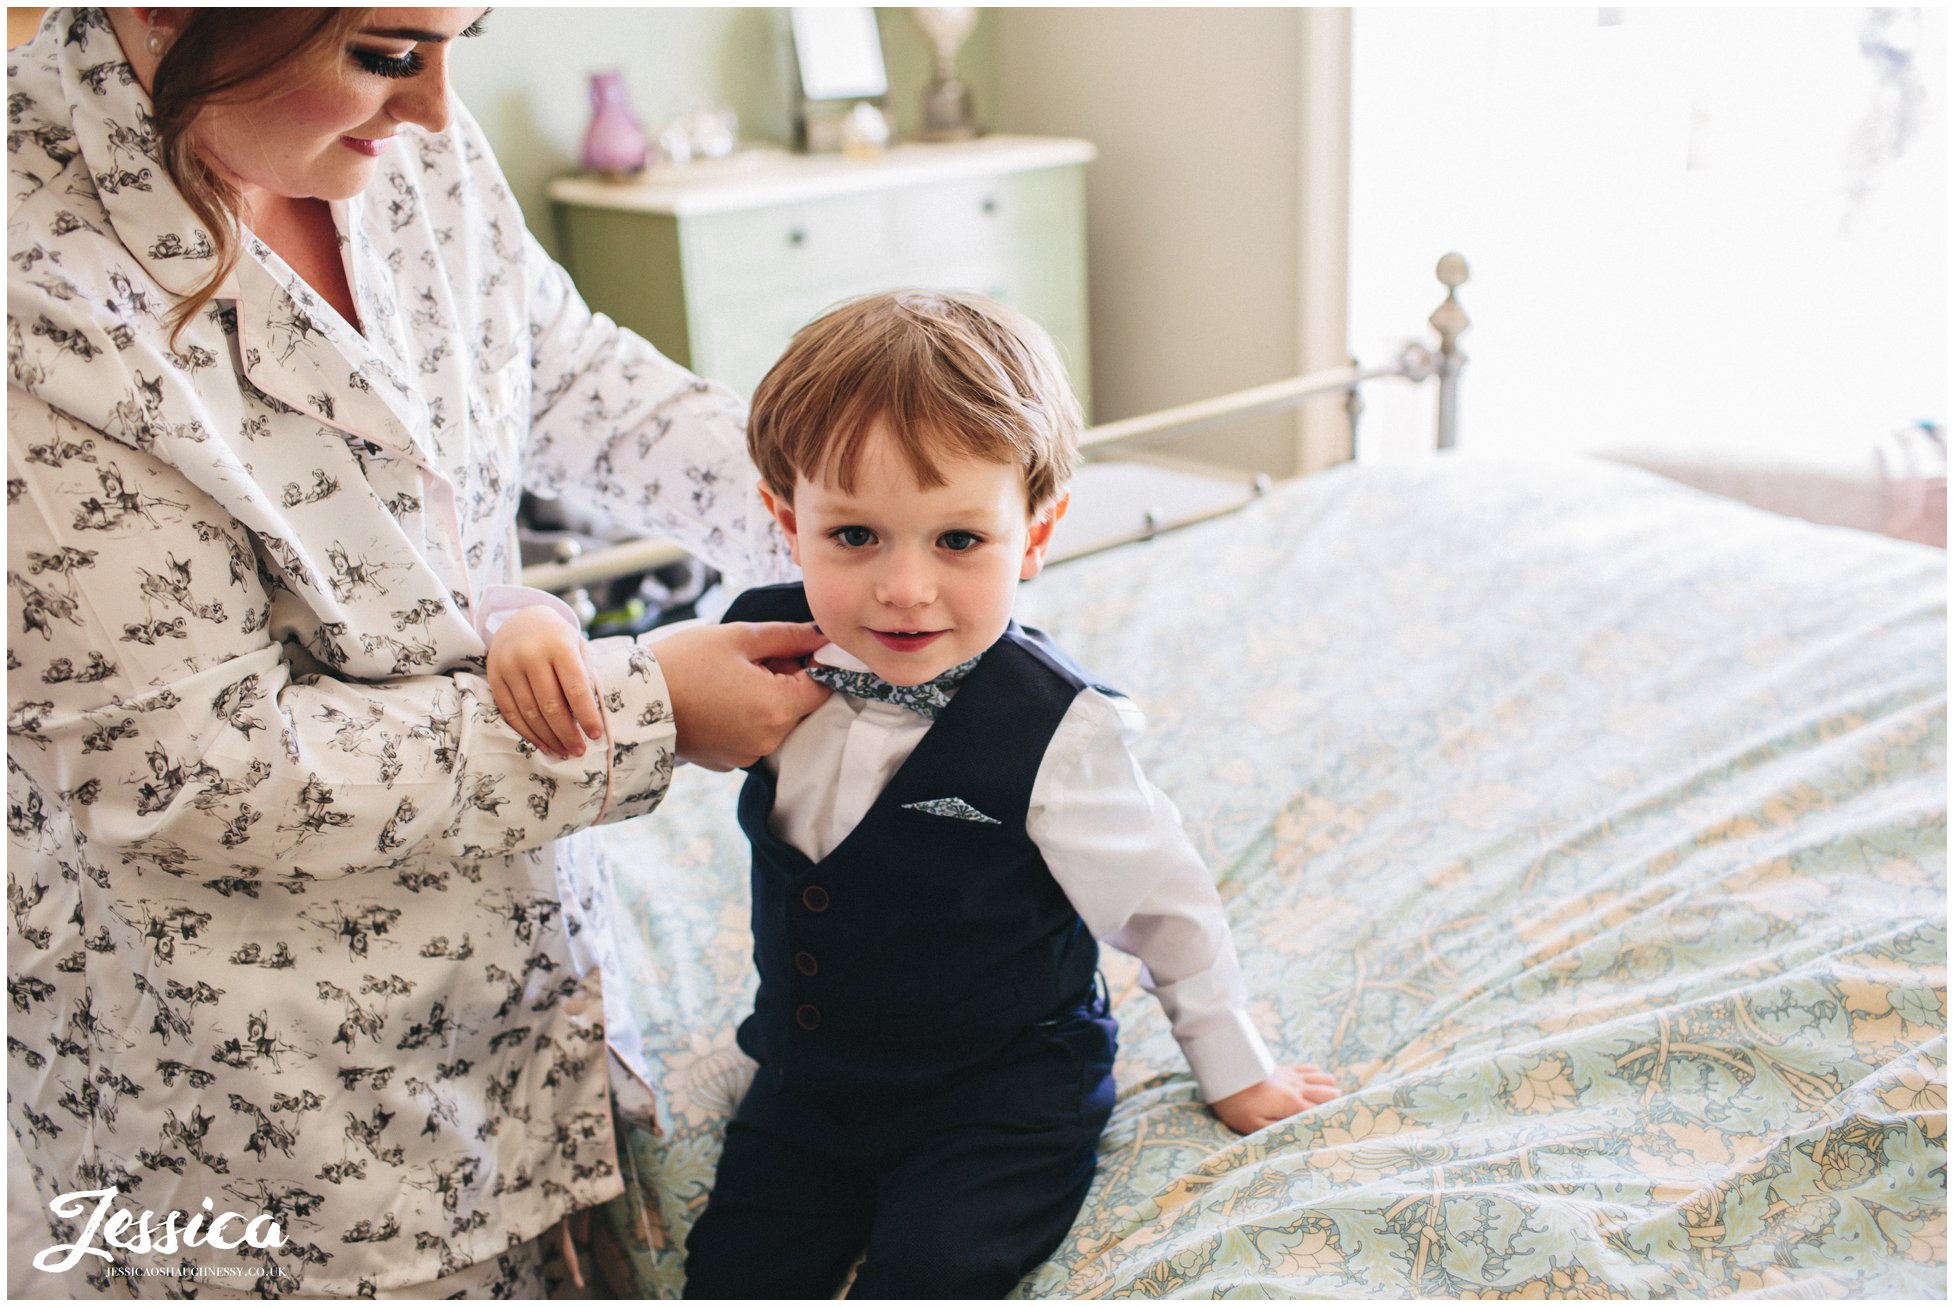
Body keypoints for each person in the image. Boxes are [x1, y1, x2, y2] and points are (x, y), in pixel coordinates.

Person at [5, 7, 830, 1298]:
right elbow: (191, 771)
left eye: (460, 38)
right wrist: (651, 705)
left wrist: (848, 509)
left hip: (513, 981)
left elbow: (554, 371)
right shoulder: (32, 282)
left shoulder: (397, 145)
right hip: (256, 1089)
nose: (442, 110)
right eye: (389, 53)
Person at [483, 290, 1345, 1298]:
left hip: (999, 1088)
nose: (903, 587)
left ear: (1035, 533)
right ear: (784, 520)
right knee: (730, 1271)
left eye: (957, 541)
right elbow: (594, 693)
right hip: (810, 1073)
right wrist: (525, 618)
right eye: (853, 535)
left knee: (932, 1269)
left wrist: (1235, 1066)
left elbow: (1167, 906)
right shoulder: (752, 649)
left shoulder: (1056, 731)